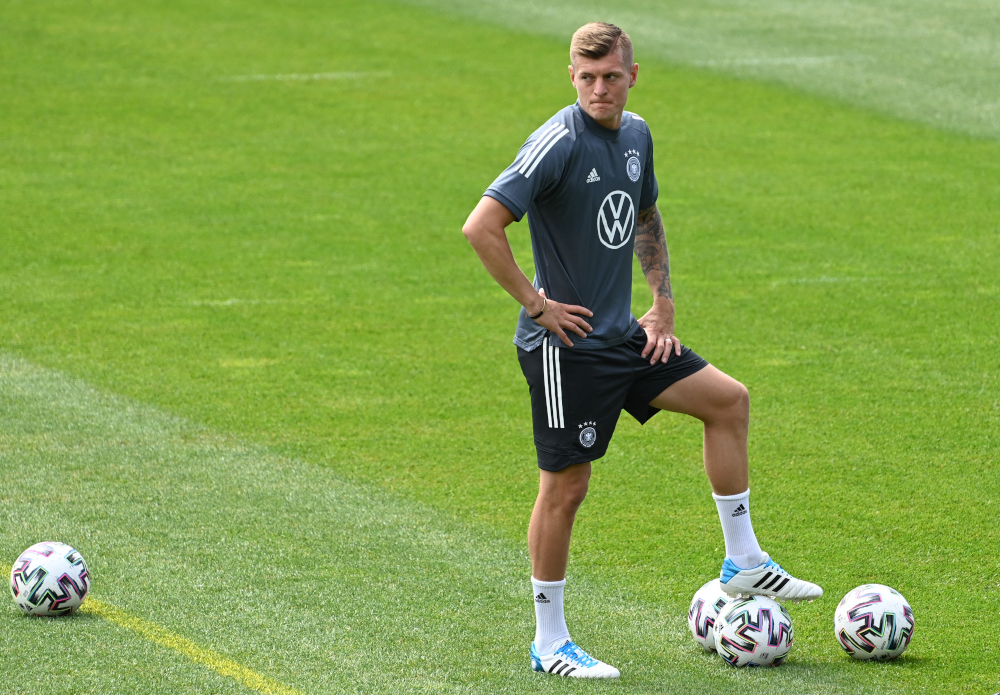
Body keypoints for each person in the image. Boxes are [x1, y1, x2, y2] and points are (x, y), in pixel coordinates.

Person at [461, 22, 822, 679]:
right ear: (571, 76)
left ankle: (742, 559)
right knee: (567, 487)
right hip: (565, 346)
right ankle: (549, 641)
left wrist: (661, 299)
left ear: (633, 75)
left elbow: (645, 214)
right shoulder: (557, 142)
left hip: (624, 332)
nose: (600, 87)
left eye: (612, 76)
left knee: (727, 400)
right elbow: (481, 225)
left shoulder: (635, 134)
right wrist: (537, 305)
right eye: (587, 76)